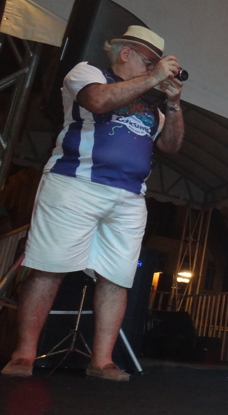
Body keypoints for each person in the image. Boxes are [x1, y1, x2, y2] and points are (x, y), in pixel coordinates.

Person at [1, 26, 184, 381]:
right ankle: (23, 354)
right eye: (150, 62)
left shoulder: (151, 105)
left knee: (116, 277)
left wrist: (174, 103)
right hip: (76, 184)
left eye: (156, 65)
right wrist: (152, 79)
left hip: (129, 196)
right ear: (126, 53)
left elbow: (172, 145)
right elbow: (98, 102)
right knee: (49, 267)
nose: (154, 70)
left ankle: (102, 361)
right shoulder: (88, 73)